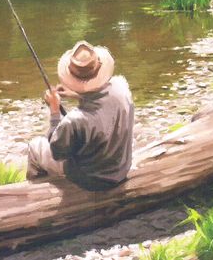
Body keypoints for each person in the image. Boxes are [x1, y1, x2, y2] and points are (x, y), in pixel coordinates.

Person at [26, 40, 134, 190]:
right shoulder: (122, 87)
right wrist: (78, 94)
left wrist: (55, 111)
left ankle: (35, 192)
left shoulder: (75, 120)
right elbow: (101, 99)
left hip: (91, 181)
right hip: (120, 171)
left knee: (35, 146)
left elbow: (57, 152)